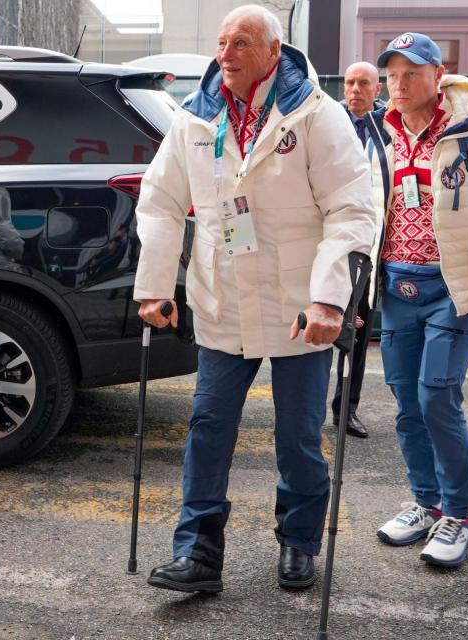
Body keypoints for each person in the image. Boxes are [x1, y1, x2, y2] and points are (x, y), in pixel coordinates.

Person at [134, 5, 374, 593]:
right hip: (224, 301)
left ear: (273, 52)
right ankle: (197, 554)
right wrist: (155, 287)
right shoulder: (194, 118)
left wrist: (329, 300)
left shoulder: (317, 115)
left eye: (241, 43)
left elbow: (351, 210)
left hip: (300, 307)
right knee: (208, 427)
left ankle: (298, 542)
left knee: (297, 436)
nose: (226, 53)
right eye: (221, 43)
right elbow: (161, 202)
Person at [370, 33, 468, 567]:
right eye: (392, 74)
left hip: (456, 290)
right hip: (397, 286)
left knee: (437, 395)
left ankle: (460, 513)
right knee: (405, 401)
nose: (399, 84)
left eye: (411, 73)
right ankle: (426, 501)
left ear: (440, 74)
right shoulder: (381, 133)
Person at [330, 61, 387, 439]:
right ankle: (301, 410)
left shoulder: (389, 130)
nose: (355, 89)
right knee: (318, 329)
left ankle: (345, 409)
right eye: (350, 82)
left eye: (363, 83)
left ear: (377, 89)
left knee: (357, 335)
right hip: (328, 243)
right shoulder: (329, 123)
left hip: (370, 247)